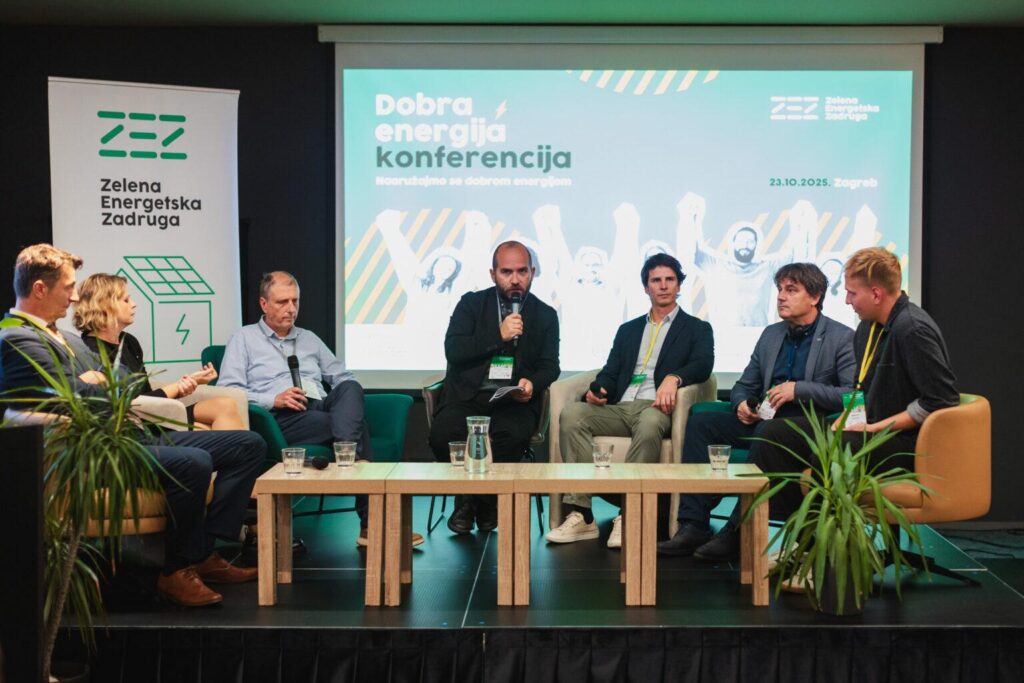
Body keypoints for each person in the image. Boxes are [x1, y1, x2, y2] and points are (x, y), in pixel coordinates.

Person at [0, 244, 265, 607]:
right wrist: (95, 383)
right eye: (69, 287)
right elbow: (73, 397)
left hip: (131, 433)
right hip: (96, 451)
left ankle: (204, 550)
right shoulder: (16, 338)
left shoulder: (65, 338)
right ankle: (175, 570)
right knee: (195, 463)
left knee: (248, 445)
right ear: (40, 289)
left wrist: (97, 382)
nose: (75, 296)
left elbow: (118, 384)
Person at [688, 248, 958, 562]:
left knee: (822, 447)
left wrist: (873, 427)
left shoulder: (912, 328)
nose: (847, 300)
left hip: (903, 442)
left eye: (852, 293)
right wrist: (849, 418)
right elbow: (861, 392)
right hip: (866, 430)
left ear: (876, 293)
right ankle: (752, 531)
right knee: (775, 433)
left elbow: (941, 399)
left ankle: (808, 548)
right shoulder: (869, 328)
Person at [657, 262, 855, 558]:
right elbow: (744, 384)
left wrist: (799, 389)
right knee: (701, 423)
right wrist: (741, 404)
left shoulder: (841, 337)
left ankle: (737, 530)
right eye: (780, 289)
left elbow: (850, 395)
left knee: (769, 430)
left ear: (815, 297)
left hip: (808, 426)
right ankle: (693, 523)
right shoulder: (771, 335)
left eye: (791, 290)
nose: (781, 297)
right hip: (765, 418)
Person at [218, 271, 421, 546]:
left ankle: (350, 460)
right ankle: (370, 520)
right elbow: (228, 391)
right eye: (282, 302)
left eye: (295, 301)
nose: (291, 309)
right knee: (355, 425)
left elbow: (342, 376)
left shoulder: (309, 338)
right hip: (277, 416)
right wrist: (273, 399)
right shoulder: (243, 338)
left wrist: (343, 404)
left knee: (350, 388)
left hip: (317, 405)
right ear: (264, 304)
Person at [547, 253, 714, 548]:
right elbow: (611, 372)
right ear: (646, 287)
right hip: (620, 407)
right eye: (656, 280)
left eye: (670, 280)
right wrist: (598, 390)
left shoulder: (697, 328)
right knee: (572, 414)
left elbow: (703, 364)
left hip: (657, 408)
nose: (663, 286)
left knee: (649, 422)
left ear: (679, 285)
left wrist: (674, 378)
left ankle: (630, 514)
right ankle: (581, 513)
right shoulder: (629, 330)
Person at [428, 240, 560, 534]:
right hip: (468, 396)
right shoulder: (471, 305)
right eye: (506, 272)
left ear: (532, 272)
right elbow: (454, 351)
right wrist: (498, 335)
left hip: (512, 401)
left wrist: (532, 383)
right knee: (443, 435)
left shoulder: (545, 315)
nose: (515, 279)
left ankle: (474, 503)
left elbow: (550, 366)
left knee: (510, 438)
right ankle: (480, 501)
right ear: (493, 274)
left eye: (522, 271)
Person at [73, 273, 244, 430]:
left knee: (225, 405)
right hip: (134, 425)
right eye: (126, 300)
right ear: (106, 306)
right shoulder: (90, 350)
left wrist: (187, 384)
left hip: (154, 413)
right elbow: (135, 404)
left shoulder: (129, 341)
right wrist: (178, 387)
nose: (133, 304)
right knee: (207, 429)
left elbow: (147, 394)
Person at [676, 192, 813, 327]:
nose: (745, 245)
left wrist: (800, 222)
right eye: (741, 241)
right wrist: (690, 217)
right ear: (733, 243)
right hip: (723, 333)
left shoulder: (767, 267)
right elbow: (692, 249)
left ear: (756, 244)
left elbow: (794, 253)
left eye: (750, 242)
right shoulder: (716, 264)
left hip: (758, 333)